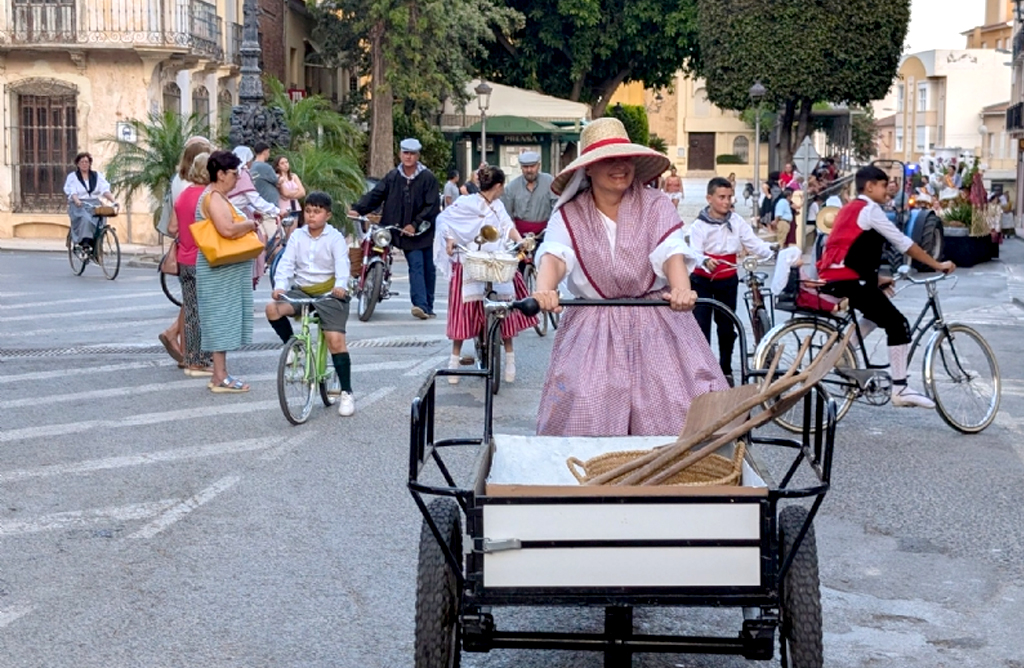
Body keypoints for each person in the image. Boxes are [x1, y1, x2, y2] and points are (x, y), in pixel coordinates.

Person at [531, 117, 728, 437]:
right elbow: (555, 254)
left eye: (625, 158)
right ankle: (588, 474)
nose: (619, 166)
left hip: (656, 319)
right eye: (607, 160)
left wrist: (681, 290)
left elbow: (671, 251)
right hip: (593, 323)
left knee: (677, 400)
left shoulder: (656, 204)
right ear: (589, 169)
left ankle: (676, 473)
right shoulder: (570, 213)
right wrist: (544, 290)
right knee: (586, 399)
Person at [818, 165, 955, 408]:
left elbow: (851, 248)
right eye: (884, 184)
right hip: (851, 278)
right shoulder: (871, 210)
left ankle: (840, 354)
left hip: (837, 274)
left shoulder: (849, 208)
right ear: (869, 186)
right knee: (898, 324)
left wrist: (877, 279)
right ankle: (900, 389)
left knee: (874, 316)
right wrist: (936, 264)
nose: (889, 188)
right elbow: (902, 242)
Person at [434, 165, 538, 385]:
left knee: (507, 302)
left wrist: (520, 241)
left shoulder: (498, 206)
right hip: (471, 259)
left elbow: (508, 227)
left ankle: (509, 359)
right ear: (498, 186)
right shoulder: (466, 203)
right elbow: (444, 220)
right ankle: (454, 361)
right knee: (463, 308)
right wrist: (449, 239)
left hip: (496, 259)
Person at [266, 191, 356, 417]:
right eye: (308, 211)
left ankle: (346, 392)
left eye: (317, 212)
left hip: (330, 293)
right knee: (272, 309)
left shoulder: (334, 238)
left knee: (335, 340)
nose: (312, 216)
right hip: (302, 290)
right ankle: (292, 346)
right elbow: (286, 264)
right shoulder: (297, 236)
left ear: (327, 215)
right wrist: (280, 287)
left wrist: (341, 285)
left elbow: (342, 265)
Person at [689, 177, 774, 385]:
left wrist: (771, 251)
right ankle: (703, 372)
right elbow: (693, 252)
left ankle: (725, 368)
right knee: (701, 327)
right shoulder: (699, 225)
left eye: (729, 197)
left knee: (727, 327)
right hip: (702, 281)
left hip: (728, 279)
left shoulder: (736, 222)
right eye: (721, 197)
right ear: (709, 198)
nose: (726, 202)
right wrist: (705, 260)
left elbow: (753, 243)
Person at [349, 138, 440, 320]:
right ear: (400, 154)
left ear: (418, 155)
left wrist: (414, 224)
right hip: (395, 228)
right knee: (414, 263)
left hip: (421, 230)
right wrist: (358, 208)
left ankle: (425, 306)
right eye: (405, 152)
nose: (408, 157)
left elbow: (431, 206)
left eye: (412, 153)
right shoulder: (393, 176)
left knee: (426, 267)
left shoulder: (428, 178)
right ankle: (419, 304)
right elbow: (376, 195)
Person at [194, 150, 261, 393]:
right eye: (235, 173)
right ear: (221, 174)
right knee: (220, 319)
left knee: (223, 318)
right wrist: (251, 224)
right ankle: (219, 376)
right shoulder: (213, 197)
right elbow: (227, 230)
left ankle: (220, 374)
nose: (238, 178)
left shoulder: (218, 196)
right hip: (218, 272)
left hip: (224, 272)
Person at [160, 136, 213, 365]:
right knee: (204, 310)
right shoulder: (207, 197)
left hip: (184, 257)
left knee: (191, 308)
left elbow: (172, 227)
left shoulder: (183, 194)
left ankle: (190, 356)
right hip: (203, 257)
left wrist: (186, 231)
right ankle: (200, 355)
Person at [63, 152, 118, 252]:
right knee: (86, 218)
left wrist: (114, 201)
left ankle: (96, 243)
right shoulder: (73, 177)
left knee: (100, 219)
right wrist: (77, 200)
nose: (84, 164)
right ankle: (85, 243)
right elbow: (72, 192)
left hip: (94, 203)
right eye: (82, 162)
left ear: (90, 164)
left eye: (86, 162)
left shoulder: (97, 176)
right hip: (79, 204)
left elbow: (104, 190)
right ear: (78, 164)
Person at [501, 150, 556, 237]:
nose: (529, 170)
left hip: (546, 233)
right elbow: (507, 216)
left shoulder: (550, 182)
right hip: (520, 236)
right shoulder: (511, 187)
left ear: (538, 166)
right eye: (525, 167)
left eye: (532, 166)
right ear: (521, 167)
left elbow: (556, 208)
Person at [250, 142, 283, 211]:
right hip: (269, 204)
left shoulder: (251, 167)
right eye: (268, 152)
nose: (269, 154)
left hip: (257, 204)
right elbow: (277, 181)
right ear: (265, 152)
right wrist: (281, 177)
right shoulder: (265, 167)